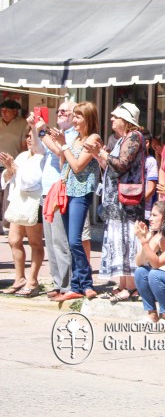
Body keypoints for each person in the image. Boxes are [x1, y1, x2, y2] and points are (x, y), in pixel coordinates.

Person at [91, 102, 146, 302]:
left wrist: (104, 154)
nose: (112, 119)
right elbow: (112, 168)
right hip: (116, 202)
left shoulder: (134, 136)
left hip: (127, 203)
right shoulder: (122, 139)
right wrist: (99, 156)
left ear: (126, 119)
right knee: (118, 240)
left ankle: (132, 287)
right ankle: (122, 284)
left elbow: (122, 165)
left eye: (116, 116)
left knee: (127, 241)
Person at [46, 101, 101, 301]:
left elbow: (78, 166)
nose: (74, 120)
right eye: (74, 116)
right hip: (67, 191)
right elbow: (64, 162)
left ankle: (85, 283)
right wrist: (62, 146)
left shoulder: (93, 138)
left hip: (80, 192)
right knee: (71, 241)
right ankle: (77, 285)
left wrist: (64, 145)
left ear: (88, 118)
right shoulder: (75, 138)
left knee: (75, 240)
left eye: (78, 116)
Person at [31, 100, 73, 298]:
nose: (61, 113)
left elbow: (59, 151)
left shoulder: (71, 134)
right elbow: (39, 149)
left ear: (74, 115)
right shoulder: (53, 132)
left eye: (65, 111)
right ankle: (58, 283)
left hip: (59, 189)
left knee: (59, 240)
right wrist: (35, 128)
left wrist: (42, 130)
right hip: (46, 190)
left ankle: (66, 284)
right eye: (59, 111)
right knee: (50, 240)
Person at [0, 127, 44, 297]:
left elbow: (30, 182)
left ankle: (33, 280)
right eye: (27, 136)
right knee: (14, 240)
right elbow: (7, 179)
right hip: (19, 201)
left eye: (32, 136)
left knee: (35, 243)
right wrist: (10, 168)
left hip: (34, 202)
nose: (29, 139)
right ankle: (19, 278)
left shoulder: (42, 158)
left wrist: (15, 168)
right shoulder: (21, 156)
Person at [133, 202, 165, 325]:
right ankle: (152, 314)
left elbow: (157, 263)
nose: (150, 219)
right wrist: (146, 240)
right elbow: (139, 262)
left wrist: (143, 242)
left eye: (154, 215)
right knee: (141, 272)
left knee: (154, 274)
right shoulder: (159, 236)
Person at [0, 99, 28, 227]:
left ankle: (7, 223)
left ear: (15, 111)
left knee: (7, 197)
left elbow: (24, 145)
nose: (4, 113)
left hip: (11, 165)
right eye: (2, 111)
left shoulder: (22, 124)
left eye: (7, 111)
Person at [141, 129, 159, 222]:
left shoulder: (151, 161)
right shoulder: (132, 161)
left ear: (146, 143)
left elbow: (151, 189)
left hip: (146, 212)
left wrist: (138, 203)